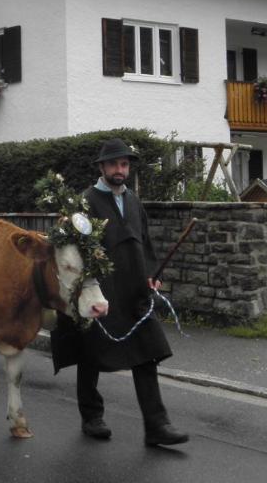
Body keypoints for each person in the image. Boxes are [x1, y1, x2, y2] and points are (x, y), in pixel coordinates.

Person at [50, 139, 189, 447]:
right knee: (92, 353)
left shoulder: (134, 201)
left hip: (136, 290)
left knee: (147, 354)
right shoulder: (84, 202)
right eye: (113, 164)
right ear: (102, 167)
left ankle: (156, 425)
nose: (119, 170)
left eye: (124, 164)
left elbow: (145, 243)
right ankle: (92, 417)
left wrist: (152, 275)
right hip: (102, 292)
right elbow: (71, 251)